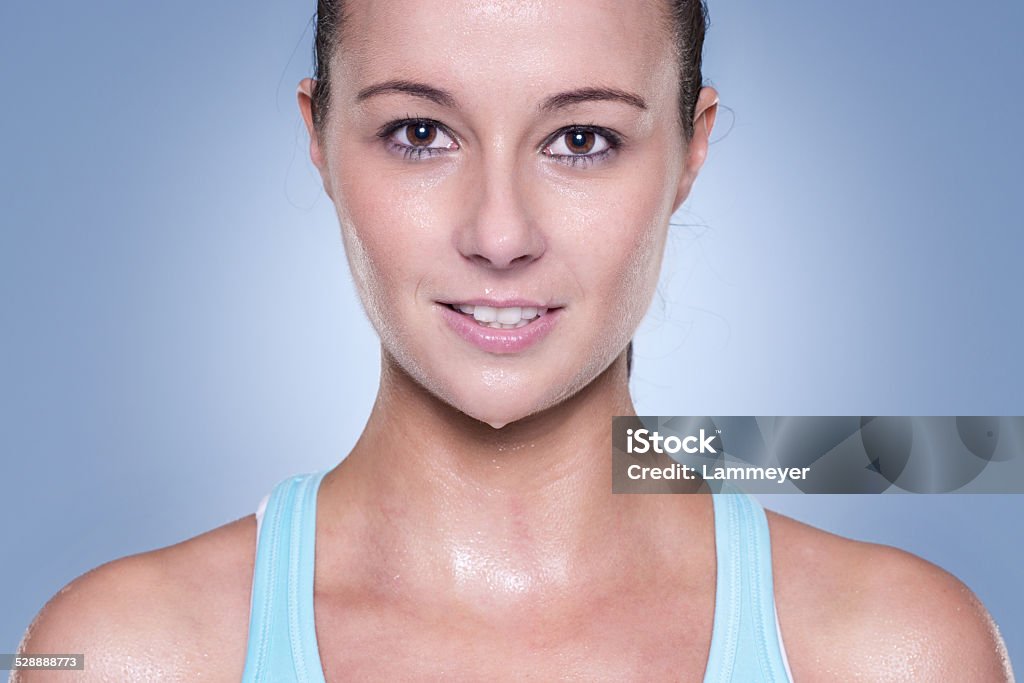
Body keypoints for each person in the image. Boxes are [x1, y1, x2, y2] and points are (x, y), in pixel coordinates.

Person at [15, 0, 1014, 680]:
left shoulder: (891, 652)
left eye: (581, 140)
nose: (499, 235)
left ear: (688, 150)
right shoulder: (123, 654)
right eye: (418, 132)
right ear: (318, 138)